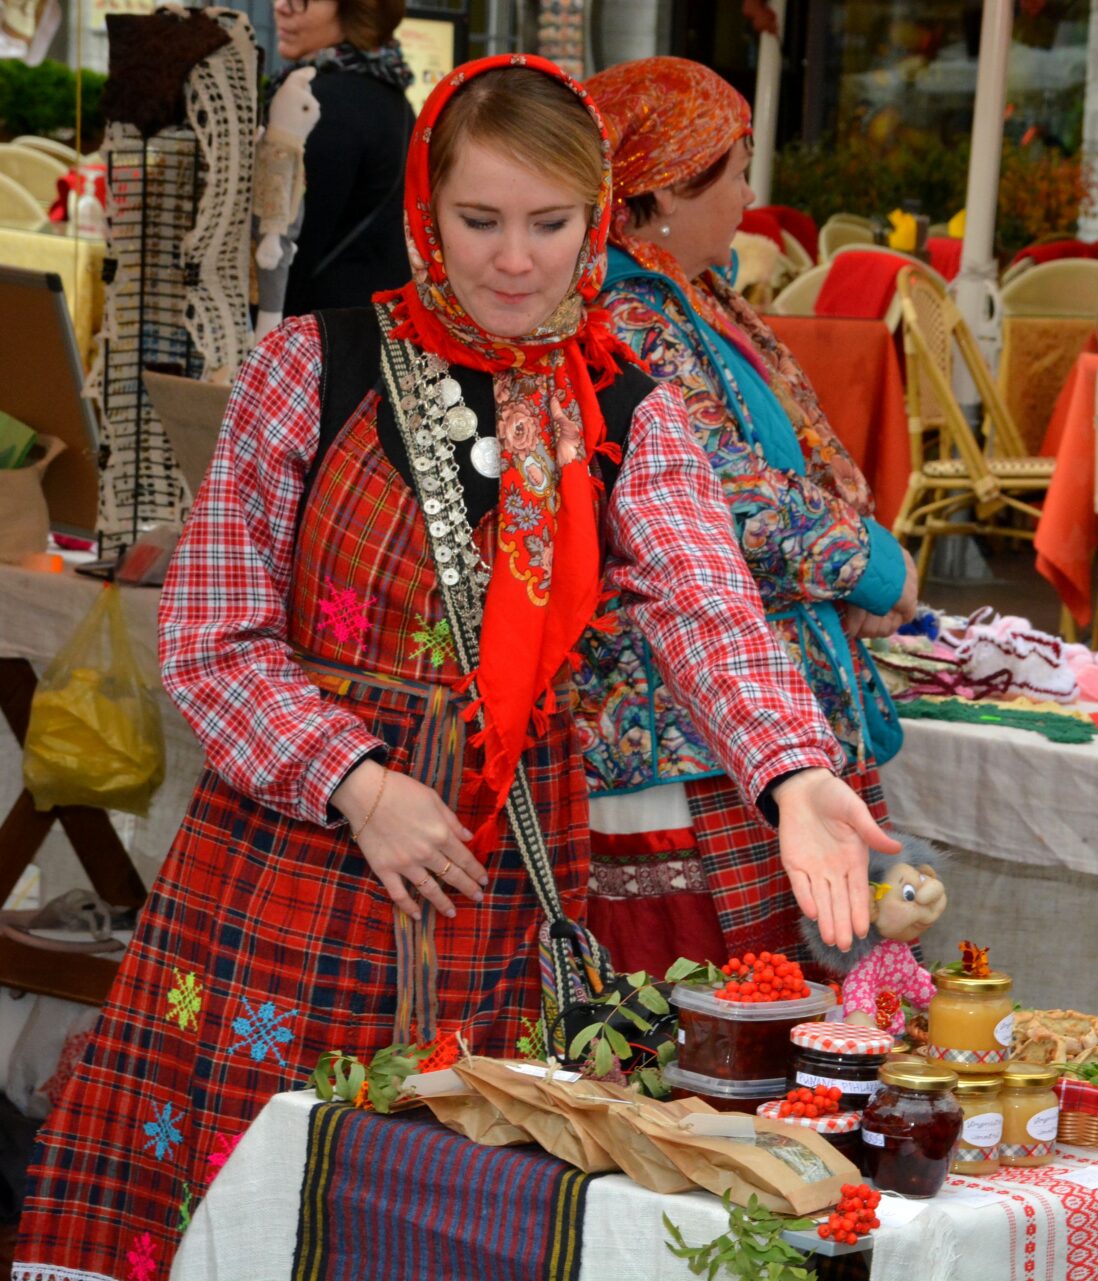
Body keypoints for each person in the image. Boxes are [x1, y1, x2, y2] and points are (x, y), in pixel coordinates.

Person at [11, 56, 894, 1278]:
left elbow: (709, 615)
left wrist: (794, 777)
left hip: (501, 878)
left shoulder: (626, 414)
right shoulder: (312, 370)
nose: (516, 260)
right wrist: (360, 782)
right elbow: (211, 639)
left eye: (551, 224)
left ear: (597, 221)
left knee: (460, 1195)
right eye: (480, 221)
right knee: (244, 1186)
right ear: (425, 209)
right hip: (295, 868)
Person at [571, 57, 917, 973]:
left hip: (719, 712)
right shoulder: (628, 314)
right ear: (666, 190)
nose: (752, 192)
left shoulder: (684, 294)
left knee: (772, 1000)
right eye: (733, 167)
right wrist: (875, 564)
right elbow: (725, 493)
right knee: (720, 1006)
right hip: (681, 719)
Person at [267, 0, 414, 315]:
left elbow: (291, 246)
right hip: (367, 325)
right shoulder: (389, 92)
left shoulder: (319, 103)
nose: (281, 6)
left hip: (320, 336)